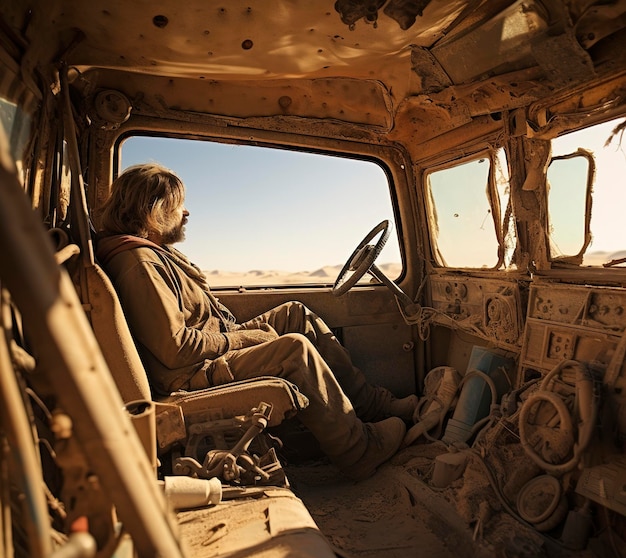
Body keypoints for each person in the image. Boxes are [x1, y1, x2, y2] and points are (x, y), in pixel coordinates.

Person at [94, 163, 417, 481]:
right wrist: (243, 339)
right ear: (155, 210)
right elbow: (176, 348)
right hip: (190, 373)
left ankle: (372, 405)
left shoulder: (151, 253)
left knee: (295, 314)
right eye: (179, 206)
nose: (187, 213)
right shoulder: (139, 263)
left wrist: (238, 333)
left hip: (211, 346)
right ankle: (357, 451)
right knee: (292, 350)